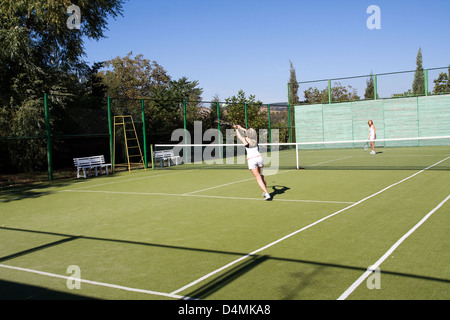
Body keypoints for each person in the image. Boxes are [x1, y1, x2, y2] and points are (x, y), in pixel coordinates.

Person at [233, 124, 271, 200]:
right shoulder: (255, 138)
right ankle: (264, 191)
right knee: (261, 175)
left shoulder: (245, 140)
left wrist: (237, 129)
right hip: (259, 158)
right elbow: (250, 132)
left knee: (258, 178)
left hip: (251, 160)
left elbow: (239, 136)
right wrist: (240, 128)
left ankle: (266, 193)